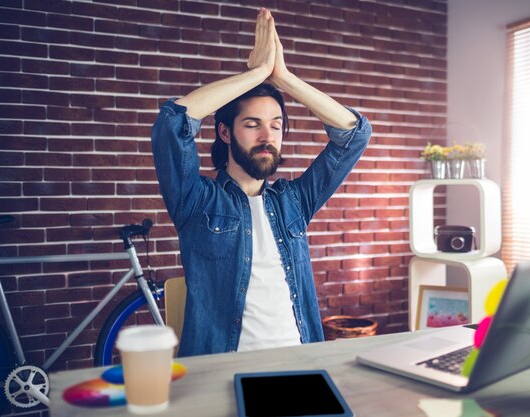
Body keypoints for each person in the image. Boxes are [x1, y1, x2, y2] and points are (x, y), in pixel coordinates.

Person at [151, 7, 371, 356]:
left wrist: (282, 76)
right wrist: (255, 75)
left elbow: (355, 135)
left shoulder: (294, 201)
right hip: (223, 367)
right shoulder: (196, 200)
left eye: (277, 125)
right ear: (225, 131)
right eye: (252, 124)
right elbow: (171, 123)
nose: (268, 135)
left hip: (301, 361)